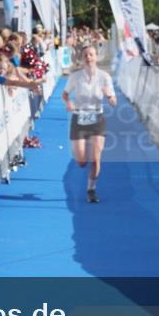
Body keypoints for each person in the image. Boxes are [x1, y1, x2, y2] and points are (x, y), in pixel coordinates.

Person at [62, 45, 117, 203]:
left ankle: (91, 189)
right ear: (82, 58)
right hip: (79, 118)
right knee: (81, 162)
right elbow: (65, 94)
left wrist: (109, 96)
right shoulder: (75, 76)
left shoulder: (105, 77)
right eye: (85, 55)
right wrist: (69, 102)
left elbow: (114, 102)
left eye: (91, 54)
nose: (88, 57)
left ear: (96, 57)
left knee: (95, 159)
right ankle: (82, 157)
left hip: (97, 118)